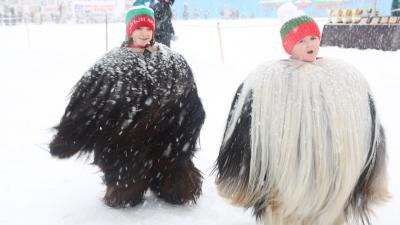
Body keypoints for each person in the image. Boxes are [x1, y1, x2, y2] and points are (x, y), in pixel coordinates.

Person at [214, 3, 389, 225]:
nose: (310, 45)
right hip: (288, 176)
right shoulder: (271, 80)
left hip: (327, 168)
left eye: (313, 38)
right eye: (301, 41)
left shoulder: (340, 75)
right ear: (289, 46)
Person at [49, 0, 205, 208]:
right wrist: (68, 138)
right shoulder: (111, 65)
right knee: (124, 197)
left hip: (167, 145)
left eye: (148, 28)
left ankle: (168, 174)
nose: (143, 33)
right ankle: (128, 182)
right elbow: (86, 105)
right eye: (138, 28)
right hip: (125, 147)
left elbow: (192, 106)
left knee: (180, 192)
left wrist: (182, 143)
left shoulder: (173, 61)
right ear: (130, 30)